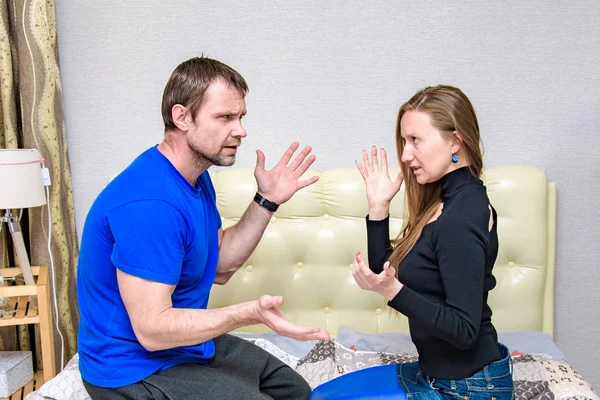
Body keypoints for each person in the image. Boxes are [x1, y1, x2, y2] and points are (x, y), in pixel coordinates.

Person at [76, 56, 329, 400]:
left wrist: (266, 200)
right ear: (182, 117)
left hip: (181, 348)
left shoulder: (195, 178)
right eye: (225, 117)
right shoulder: (151, 203)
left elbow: (220, 265)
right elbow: (152, 330)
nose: (240, 130)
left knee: (295, 391)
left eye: (240, 117)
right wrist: (248, 313)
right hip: (133, 368)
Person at [312, 85, 514, 399]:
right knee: (322, 395)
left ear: (455, 141)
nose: (405, 156)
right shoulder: (442, 202)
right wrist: (378, 209)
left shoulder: (462, 216)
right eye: (405, 141)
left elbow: (464, 331)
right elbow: (387, 272)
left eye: (415, 140)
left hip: (468, 389)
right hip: (433, 373)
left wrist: (392, 292)